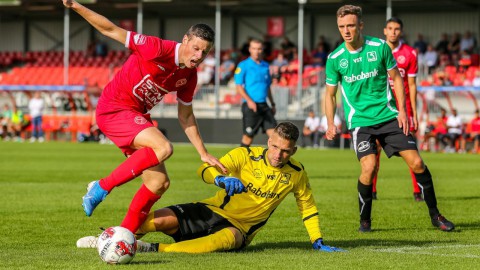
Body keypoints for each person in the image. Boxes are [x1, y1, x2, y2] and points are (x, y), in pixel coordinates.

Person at [62, 0, 226, 235]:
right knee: (163, 147)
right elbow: (110, 30)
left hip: (136, 116)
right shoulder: (156, 48)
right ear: (185, 40)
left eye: (205, 52)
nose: (199, 56)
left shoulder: (189, 75)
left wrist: (203, 153)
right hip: (114, 109)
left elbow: (186, 116)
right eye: (196, 48)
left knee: (158, 183)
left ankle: (122, 236)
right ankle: (101, 186)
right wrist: (76, 6)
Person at [77, 122, 344, 253]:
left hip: (239, 228)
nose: (278, 155)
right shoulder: (244, 155)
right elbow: (205, 168)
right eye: (274, 147)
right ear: (268, 141)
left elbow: (306, 205)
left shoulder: (296, 173)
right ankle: (111, 237)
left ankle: (152, 249)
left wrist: (316, 239)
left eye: (285, 151)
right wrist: (219, 179)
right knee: (158, 220)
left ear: (293, 150)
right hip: (211, 209)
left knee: (227, 239)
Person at [324, 5, 454, 232]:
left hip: (389, 117)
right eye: (342, 26)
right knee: (369, 167)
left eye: (351, 25)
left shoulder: (380, 47)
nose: (346, 31)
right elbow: (330, 94)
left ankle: (436, 216)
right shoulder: (335, 58)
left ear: (360, 26)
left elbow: (397, 78)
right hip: (361, 122)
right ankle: (365, 221)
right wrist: (330, 122)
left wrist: (403, 110)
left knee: (417, 162)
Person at [372, 17, 423, 202]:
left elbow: (412, 84)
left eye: (397, 29)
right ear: (385, 30)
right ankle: (372, 190)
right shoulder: (375, 50)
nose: (393, 32)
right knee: (374, 149)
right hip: (381, 108)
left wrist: (414, 114)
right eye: (390, 28)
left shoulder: (410, 53)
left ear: (401, 31)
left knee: (410, 151)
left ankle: (418, 191)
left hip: (403, 109)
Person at [234, 38, 277, 147]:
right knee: (248, 138)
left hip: (264, 105)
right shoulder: (243, 65)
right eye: (254, 48)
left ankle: (273, 162)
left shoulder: (266, 66)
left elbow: (267, 87)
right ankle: (240, 162)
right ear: (250, 49)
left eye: (259, 49)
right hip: (250, 106)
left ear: (262, 49)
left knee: (275, 136)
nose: (256, 51)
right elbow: (239, 87)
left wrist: (272, 103)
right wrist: (249, 101)